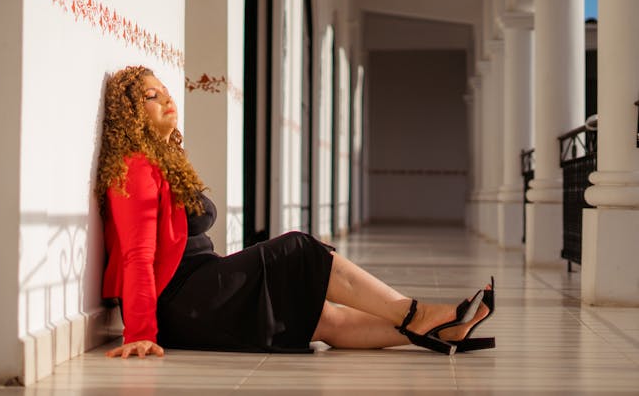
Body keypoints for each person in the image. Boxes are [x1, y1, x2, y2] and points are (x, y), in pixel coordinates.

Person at [96, 65, 494, 359]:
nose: (167, 98)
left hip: (200, 284)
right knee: (298, 250)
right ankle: (419, 313)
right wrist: (141, 332)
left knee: (319, 318)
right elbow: (137, 256)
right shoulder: (134, 167)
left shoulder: (167, 160)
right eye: (152, 96)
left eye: (166, 90)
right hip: (181, 299)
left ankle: (440, 331)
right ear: (130, 113)